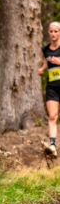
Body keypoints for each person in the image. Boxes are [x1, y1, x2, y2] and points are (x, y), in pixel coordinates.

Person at [39, 22, 60, 157]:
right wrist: (42, 68)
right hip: (52, 86)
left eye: (56, 31)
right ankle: (52, 146)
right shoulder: (45, 49)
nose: (53, 34)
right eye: (51, 31)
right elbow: (47, 61)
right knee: (52, 116)